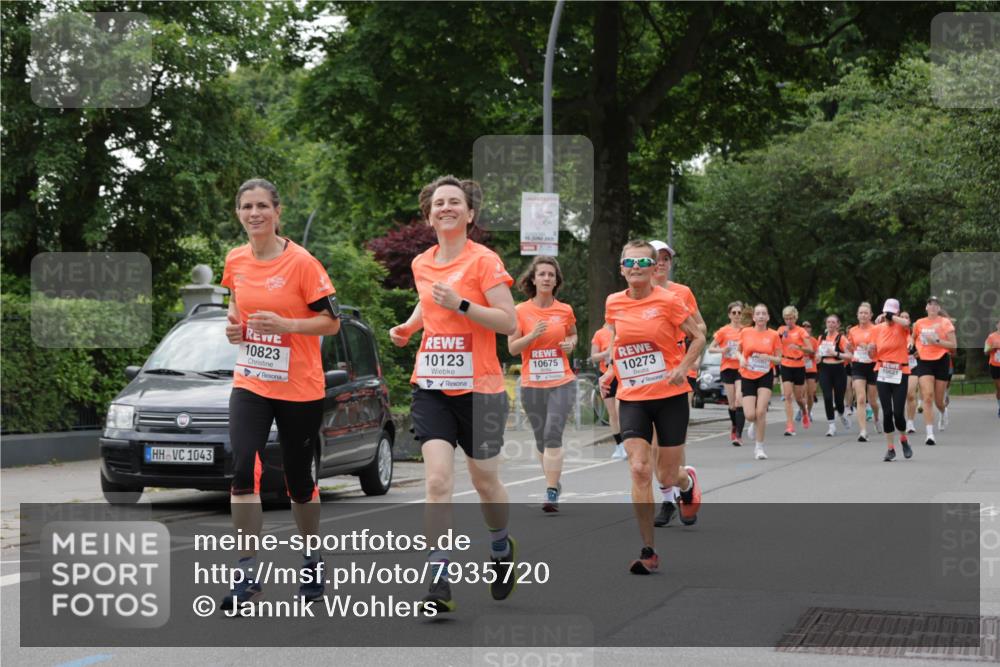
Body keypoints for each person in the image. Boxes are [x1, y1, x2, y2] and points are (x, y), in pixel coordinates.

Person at [389, 175, 518, 613]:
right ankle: (438, 576)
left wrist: (462, 304)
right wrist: (410, 327)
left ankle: (500, 547)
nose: (446, 208)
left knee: (484, 482)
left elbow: (508, 322)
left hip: (480, 389)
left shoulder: (485, 262)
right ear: (429, 216)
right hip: (432, 386)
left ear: (470, 214)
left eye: (454, 202)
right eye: (438, 203)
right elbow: (429, 301)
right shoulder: (422, 264)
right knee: (438, 481)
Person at [219, 179, 342, 610]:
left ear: (277, 212)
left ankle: (311, 557)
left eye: (262, 207)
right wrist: (234, 326)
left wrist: (288, 326)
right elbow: (236, 308)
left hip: (299, 385)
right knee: (242, 469)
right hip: (251, 379)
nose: (254, 214)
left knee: (299, 480)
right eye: (246, 207)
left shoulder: (303, 263)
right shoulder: (235, 259)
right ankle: (247, 574)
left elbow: (332, 323)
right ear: (238, 213)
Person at [598, 240, 705, 574]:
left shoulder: (670, 300)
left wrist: (682, 366)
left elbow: (698, 336)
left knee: (667, 475)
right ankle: (648, 550)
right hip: (633, 397)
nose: (637, 267)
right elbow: (618, 343)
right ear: (622, 269)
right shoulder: (613, 302)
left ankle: (687, 484)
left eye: (643, 261)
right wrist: (611, 371)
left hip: (670, 395)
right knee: (640, 468)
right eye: (629, 263)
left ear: (652, 266)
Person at [508, 256, 577, 512]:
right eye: (542, 274)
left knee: (552, 434)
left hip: (562, 381)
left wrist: (572, 343)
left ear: (556, 280)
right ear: (533, 279)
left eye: (551, 274)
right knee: (540, 439)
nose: (547, 278)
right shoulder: (520, 311)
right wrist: (532, 336)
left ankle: (550, 493)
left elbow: (572, 333)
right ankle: (554, 482)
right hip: (532, 384)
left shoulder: (565, 310)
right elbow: (513, 348)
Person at [649, 240, 706, 528]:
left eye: (665, 259)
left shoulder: (681, 292)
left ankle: (670, 496)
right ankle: (677, 485)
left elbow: (701, 328)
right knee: (653, 444)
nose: (660, 263)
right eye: (655, 258)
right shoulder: (635, 295)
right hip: (647, 377)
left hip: (678, 373)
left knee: (671, 438)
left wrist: (689, 358)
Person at [738, 304, 783, 460]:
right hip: (747, 374)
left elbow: (779, 359)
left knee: (761, 411)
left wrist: (768, 358)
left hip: (765, 373)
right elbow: (738, 351)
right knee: (750, 414)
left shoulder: (774, 335)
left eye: (764, 313)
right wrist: (742, 359)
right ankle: (753, 423)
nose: (761, 316)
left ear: (768, 317)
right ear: (754, 317)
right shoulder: (745, 332)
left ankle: (759, 448)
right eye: (758, 313)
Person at [871, 299, 913, 461]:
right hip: (882, 371)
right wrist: (870, 350)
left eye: (891, 312)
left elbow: (906, 322)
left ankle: (903, 439)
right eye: (886, 311)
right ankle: (890, 448)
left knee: (898, 412)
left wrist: (890, 316)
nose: (888, 315)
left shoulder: (902, 327)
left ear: (896, 312)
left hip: (900, 371)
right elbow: (873, 354)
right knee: (887, 412)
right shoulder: (877, 329)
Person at [912, 296, 957, 445]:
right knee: (927, 396)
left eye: (936, 304)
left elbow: (953, 346)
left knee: (938, 401)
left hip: (941, 361)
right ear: (926, 307)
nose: (932, 306)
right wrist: (913, 349)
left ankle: (943, 412)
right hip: (924, 362)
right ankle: (930, 434)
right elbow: (912, 340)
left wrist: (936, 340)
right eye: (930, 304)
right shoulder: (919, 323)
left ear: (939, 308)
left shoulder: (945, 323)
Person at [709, 301, 746, 446]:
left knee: (739, 400)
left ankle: (738, 435)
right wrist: (722, 350)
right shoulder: (723, 331)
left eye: (739, 312)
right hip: (727, 368)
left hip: (741, 369)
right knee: (731, 404)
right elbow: (711, 348)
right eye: (734, 313)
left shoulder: (746, 331)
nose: (737, 315)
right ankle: (734, 425)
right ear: (729, 315)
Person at [847, 302, 882, 442]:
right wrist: (850, 348)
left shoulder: (876, 329)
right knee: (860, 398)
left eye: (866, 313)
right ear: (857, 315)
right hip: (858, 364)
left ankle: (876, 418)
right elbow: (851, 348)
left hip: (873, 365)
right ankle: (863, 431)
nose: (863, 315)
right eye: (861, 313)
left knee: (872, 400)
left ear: (871, 315)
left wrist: (868, 347)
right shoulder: (853, 331)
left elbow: (880, 348)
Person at [777, 306, 813, 437]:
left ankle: (804, 412)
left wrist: (798, 347)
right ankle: (790, 425)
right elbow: (775, 343)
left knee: (799, 398)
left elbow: (810, 349)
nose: (788, 321)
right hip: (786, 363)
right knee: (787, 396)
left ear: (795, 318)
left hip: (798, 364)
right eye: (786, 319)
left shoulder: (801, 331)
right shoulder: (781, 330)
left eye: (791, 318)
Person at [591, 322, 624, 459]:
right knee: (612, 413)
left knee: (620, 410)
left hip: (622, 374)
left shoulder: (623, 328)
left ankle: (628, 442)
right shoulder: (599, 333)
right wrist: (606, 353)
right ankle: (619, 445)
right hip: (606, 375)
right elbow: (594, 356)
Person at [817, 314, 852, 436]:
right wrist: (816, 357)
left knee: (838, 399)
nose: (831, 324)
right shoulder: (821, 338)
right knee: (827, 397)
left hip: (838, 369)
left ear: (838, 325)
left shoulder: (842, 338)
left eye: (833, 322)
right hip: (825, 369)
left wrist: (836, 353)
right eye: (828, 322)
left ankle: (842, 415)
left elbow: (849, 356)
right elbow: (818, 354)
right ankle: (831, 425)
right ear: (826, 324)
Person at [901, 311, 920, 433]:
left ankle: (910, 422)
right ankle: (900, 419)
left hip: (913, 367)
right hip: (897, 368)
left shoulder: (915, 334)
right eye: (901, 317)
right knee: (899, 397)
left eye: (906, 317)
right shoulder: (891, 332)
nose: (903, 319)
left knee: (911, 394)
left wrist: (919, 353)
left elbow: (925, 348)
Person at [801, 321, 819, 422]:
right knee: (802, 392)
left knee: (810, 393)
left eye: (808, 326)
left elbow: (816, 353)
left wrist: (814, 356)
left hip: (811, 368)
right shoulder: (798, 340)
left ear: (810, 329)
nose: (806, 328)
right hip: (800, 367)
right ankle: (803, 410)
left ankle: (808, 411)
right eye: (804, 326)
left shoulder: (813, 340)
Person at [986, 319, 1000, 418]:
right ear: (997, 325)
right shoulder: (991, 337)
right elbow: (985, 351)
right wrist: (993, 348)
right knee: (999, 388)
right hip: (995, 365)